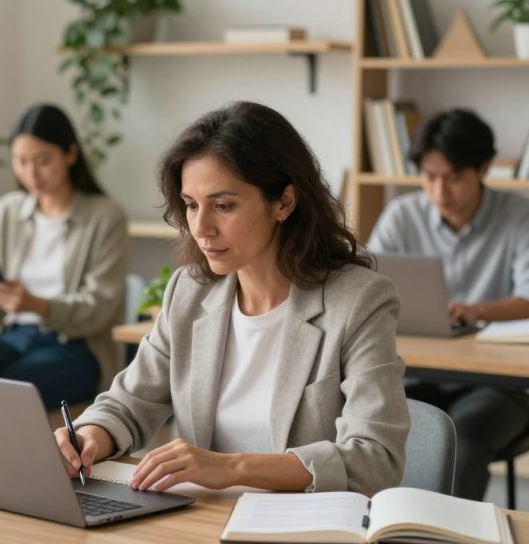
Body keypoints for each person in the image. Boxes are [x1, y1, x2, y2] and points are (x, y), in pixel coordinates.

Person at [55, 101, 410, 495]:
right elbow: (129, 403)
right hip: (202, 524)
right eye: (191, 206)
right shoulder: (189, 292)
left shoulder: (359, 301)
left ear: (284, 203)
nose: (201, 228)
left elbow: (375, 458)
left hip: (303, 527)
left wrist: (233, 467)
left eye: (223, 206)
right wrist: (89, 435)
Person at [367, 108, 529, 501]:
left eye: (454, 177)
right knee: (369, 424)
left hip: (499, 387)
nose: (440, 192)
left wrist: (475, 311)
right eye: (429, 177)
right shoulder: (402, 216)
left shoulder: (519, 216)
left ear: (484, 167)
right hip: (415, 375)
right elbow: (366, 287)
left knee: (461, 437)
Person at [0, 103, 129, 408]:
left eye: (42, 161)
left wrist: (36, 305)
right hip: (10, 336)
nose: (31, 173)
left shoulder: (105, 217)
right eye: (21, 161)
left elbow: (100, 309)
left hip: (73, 349)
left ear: (71, 154)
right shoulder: (8, 210)